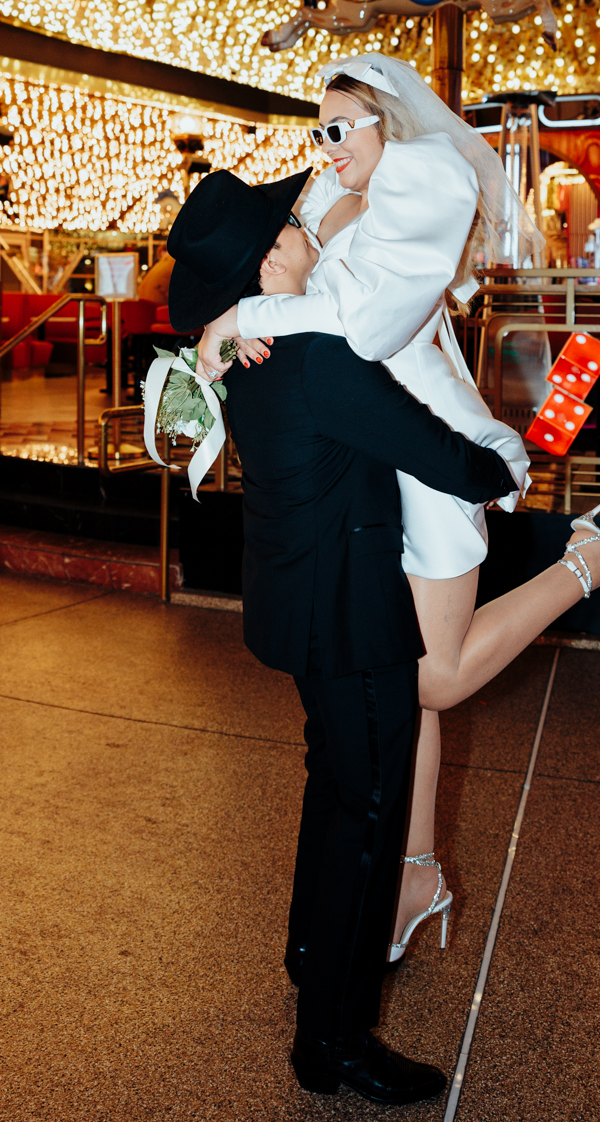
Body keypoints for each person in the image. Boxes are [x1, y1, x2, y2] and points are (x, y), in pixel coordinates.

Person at [192, 54, 600, 963]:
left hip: (432, 461)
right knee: (399, 686)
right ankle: (414, 872)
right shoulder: (323, 207)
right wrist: (245, 317)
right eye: (315, 133)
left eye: (339, 130)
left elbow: (362, 327)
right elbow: (279, 293)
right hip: (362, 472)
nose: (324, 150)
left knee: (431, 680)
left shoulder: (426, 182)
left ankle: (592, 559)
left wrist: (252, 317)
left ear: (384, 123)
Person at [164, 166, 520, 1105]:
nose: (309, 230)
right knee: (363, 816)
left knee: (334, 795)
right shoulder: (312, 353)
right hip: (354, 619)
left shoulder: (245, 350)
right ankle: (332, 1038)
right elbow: (427, 446)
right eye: (292, 226)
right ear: (276, 256)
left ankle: (309, 954)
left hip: (300, 605)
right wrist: (504, 471)